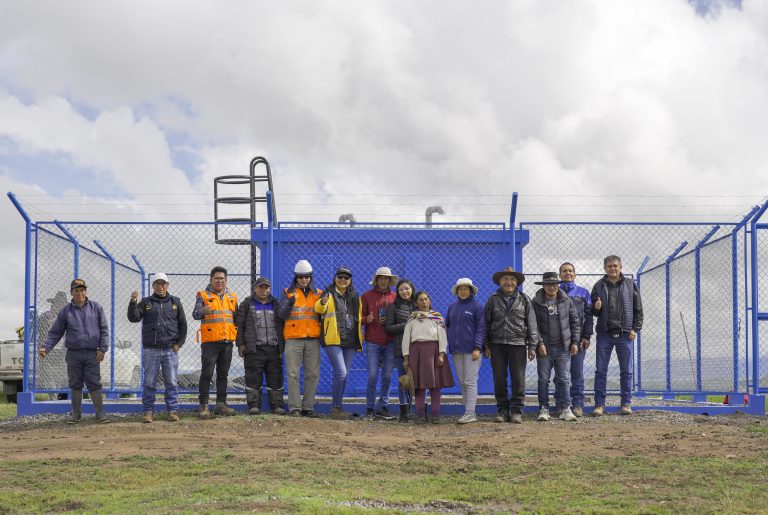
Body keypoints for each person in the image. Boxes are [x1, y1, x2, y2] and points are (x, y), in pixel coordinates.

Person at [38, 279, 109, 424]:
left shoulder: (96, 308)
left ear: (86, 291)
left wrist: (102, 349)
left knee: (94, 383)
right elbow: (55, 332)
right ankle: (76, 414)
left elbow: (104, 330)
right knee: (75, 384)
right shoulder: (65, 311)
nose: (80, 293)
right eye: (76, 290)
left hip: (92, 353)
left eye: (82, 290)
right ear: (72, 292)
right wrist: (46, 347)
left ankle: (100, 413)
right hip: (73, 353)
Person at [128, 273, 188, 423]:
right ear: (153, 286)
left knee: (172, 382)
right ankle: (148, 412)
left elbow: (183, 325)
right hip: (151, 350)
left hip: (170, 350)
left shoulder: (175, 302)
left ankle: (172, 411)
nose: (160, 287)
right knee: (149, 382)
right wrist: (133, 301)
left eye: (163, 284)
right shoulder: (146, 302)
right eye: (157, 284)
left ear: (168, 285)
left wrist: (179, 344)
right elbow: (133, 318)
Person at [484, 267, 538, 424]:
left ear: (517, 283)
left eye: (512, 279)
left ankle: (516, 411)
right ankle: (502, 410)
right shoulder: (492, 300)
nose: (509, 282)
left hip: (518, 344)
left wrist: (532, 346)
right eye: (505, 279)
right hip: (497, 344)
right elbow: (485, 324)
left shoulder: (525, 299)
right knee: (499, 378)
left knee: (518, 379)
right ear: (500, 282)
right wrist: (486, 345)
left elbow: (532, 324)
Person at [591, 255, 644, 416]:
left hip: (625, 334)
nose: (612, 269)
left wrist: (635, 328)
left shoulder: (630, 284)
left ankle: (626, 404)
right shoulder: (598, 286)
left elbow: (638, 309)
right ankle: (599, 405)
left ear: (620, 267)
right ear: (605, 268)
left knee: (626, 371)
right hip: (604, 334)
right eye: (609, 266)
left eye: (615, 266)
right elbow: (593, 312)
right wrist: (597, 307)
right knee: (601, 371)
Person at [531, 272, 580, 422]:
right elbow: (534, 326)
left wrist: (574, 342)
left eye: (554, 284)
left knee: (564, 379)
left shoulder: (566, 301)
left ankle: (566, 409)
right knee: (543, 380)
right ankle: (544, 409)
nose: (552, 287)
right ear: (543, 286)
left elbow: (575, 322)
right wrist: (540, 343)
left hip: (563, 347)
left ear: (558, 285)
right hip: (544, 348)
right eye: (548, 284)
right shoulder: (536, 302)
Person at [315, 267, 362, 419]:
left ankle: (338, 408)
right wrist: (322, 302)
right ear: (335, 278)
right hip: (333, 339)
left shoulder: (355, 296)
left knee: (344, 375)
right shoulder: (328, 293)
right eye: (340, 277)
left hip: (350, 339)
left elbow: (357, 318)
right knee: (341, 372)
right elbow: (319, 308)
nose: (343, 280)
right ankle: (335, 408)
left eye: (346, 278)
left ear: (350, 281)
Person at [402, 290, 455, 424]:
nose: (424, 302)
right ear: (416, 303)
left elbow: (442, 337)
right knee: (419, 386)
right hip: (416, 353)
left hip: (434, 352)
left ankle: (435, 415)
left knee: (435, 386)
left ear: (429, 301)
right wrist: (406, 358)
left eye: (426, 299)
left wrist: (441, 354)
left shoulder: (437, 318)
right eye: (421, 300)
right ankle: (420, 415)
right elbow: (406, 339)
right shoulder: (412, 319)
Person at [192, 266, 239, 419]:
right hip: (210, 343)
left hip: (227, 342)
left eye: (222, 278)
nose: (219, 281)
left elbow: (236, 319)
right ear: (211, 280)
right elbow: (195, 314)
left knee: (223, 375)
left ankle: (221, 405)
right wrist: (202, 311)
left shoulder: (232, 297)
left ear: (226, 280)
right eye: (216, 278)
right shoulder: (203, 295)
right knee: (206, 374)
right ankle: (204, 406)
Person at [278, 260, 323, 417]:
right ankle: (295, 408)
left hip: (313, 339)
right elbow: (282, 315)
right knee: (292, 374)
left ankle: (308, 407)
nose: (304, 279)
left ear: (311, 277)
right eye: (301, 277)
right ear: (296, 277)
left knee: (313, 374)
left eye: (307, 277)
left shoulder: (319, 293)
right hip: (293, 339)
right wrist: (289, 305)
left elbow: (324, 315)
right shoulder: (287, 293)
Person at [235, 277, 286, 416]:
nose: (264, 290)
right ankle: (253, 406)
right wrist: (240, 344)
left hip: (274, 348)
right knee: (253, 377)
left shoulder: (276, 304)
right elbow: (239, 325)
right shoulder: (246, 303)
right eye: (261, 287)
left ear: (269, 289)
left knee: (275, 377)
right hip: (254, 348)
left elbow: (282, 326)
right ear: (255, 289)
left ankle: (276, 406)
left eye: (266, 287)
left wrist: (282, 346)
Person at [445, 278, 485, 424]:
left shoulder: (477, 307)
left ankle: (470, 413)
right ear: (457, 291)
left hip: (472, 350)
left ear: (471, 291)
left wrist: (477, 347)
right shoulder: (452, 307)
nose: (463, 291)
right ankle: (467, 411)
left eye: (465, 289)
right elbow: (446, 325)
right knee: (462, 381)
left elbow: (481, 329)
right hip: (456, 350)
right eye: (460, 289)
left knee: (470, 381)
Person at [361, 266, 398, 420]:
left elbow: (400, 317)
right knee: (372, 376)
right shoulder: (366, 296)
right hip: (373, 341)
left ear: (390, 281)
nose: (383, 281)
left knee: (388, 376)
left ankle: (383, 407)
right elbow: (359, 317)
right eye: (381, 278)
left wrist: (390, 321)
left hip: (390, 341)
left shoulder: (395, 297)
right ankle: (370, 408)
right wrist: (366, 320)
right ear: (376, 280)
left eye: (386, 278)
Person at [558, 262, 593, 417]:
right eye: (564, 271)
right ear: (560, 275)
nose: (568, 273)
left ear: (575, 274)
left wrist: (586, 336)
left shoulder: (584, 293)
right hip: (558, 341)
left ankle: (578, 404)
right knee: (560, 374)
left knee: (576, 373)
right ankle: (560, 404)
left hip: (578, 341)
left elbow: (589, 317)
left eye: (570, 271)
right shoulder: (554, 292)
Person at [385, 278, 418, 423]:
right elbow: (389, 327)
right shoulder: (393, 307)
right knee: (404, 379)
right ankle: (404, 411)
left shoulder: (419, 304)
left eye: (407, 288)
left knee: (418, 379)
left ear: (412, 289)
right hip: (401, 348)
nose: (405, 292)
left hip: (418, 348)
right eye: (401, 290)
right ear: (397, 292)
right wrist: (406, 326)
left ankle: (418, 409)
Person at [36, 291, 69, 399]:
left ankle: (57, 396)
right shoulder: (45, 316)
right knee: (48, 376)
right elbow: (36, 326)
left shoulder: (67, 317)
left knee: (60, 375)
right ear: (53, 304)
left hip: (61, 351)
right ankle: (53, 397)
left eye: (61, 304)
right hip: (47, 350)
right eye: (57, 304)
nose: (59, 306)